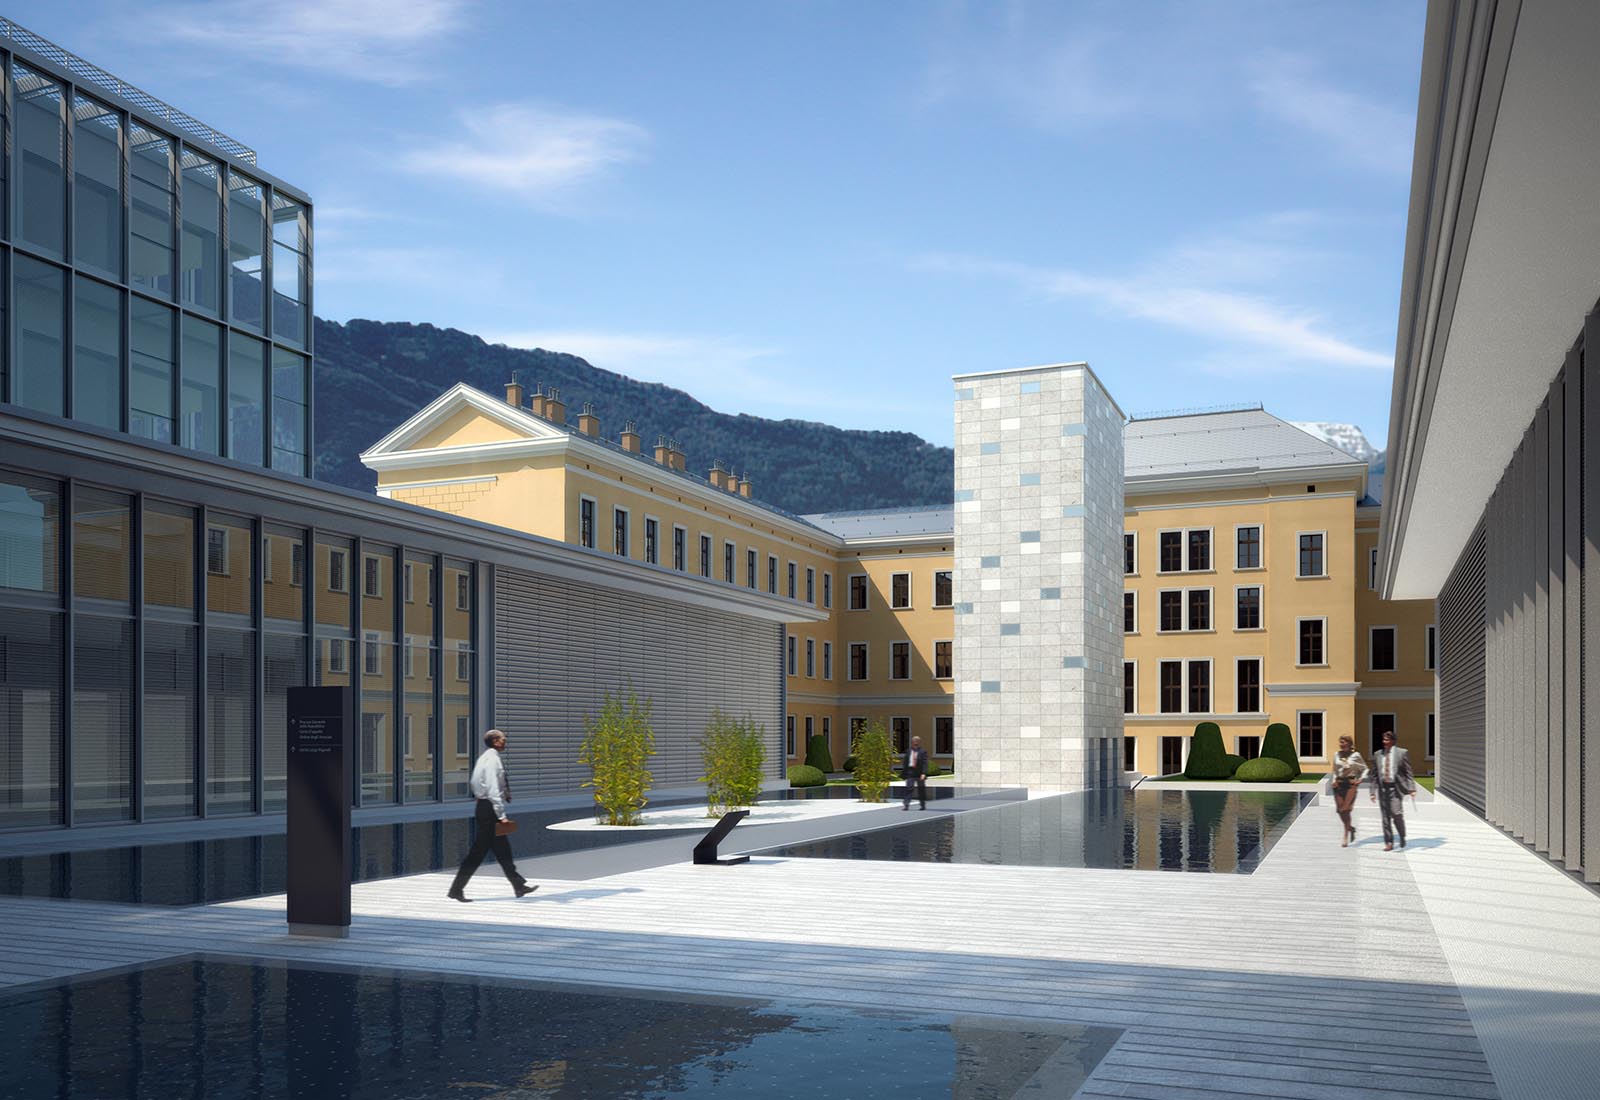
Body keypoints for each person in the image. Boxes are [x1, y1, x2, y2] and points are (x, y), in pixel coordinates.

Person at [448, 729, 536, 902]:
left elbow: (476, 781)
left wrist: (495, 795)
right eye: (503, 739)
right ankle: (456, 889)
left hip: (484, 806)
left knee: (503, 850)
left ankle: (519, 886)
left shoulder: (485, 758)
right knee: (478, 853)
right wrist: (501, 814)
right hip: (489, 810)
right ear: (495, 741)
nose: (505, 741)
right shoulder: (492, 759)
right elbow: (492, 788)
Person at [1369, 729, 1416, 851]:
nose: (1384, 742)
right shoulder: (1377, 754)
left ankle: (1402, 835)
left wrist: (1411, 788)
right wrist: (1372, 792)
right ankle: (1389, 842)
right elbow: (1373, 774)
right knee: (1385, 817)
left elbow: (1408, 772)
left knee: (1397, 814)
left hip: (1395, 789)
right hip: (1383, 789)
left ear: (1393, 741)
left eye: (1387, 739)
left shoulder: (1402, 753)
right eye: (1383, 739)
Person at [1331, 735, 1367, 847]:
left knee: (1345, 809)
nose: (1342, 744)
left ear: (1349, 744)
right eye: (1340, 742)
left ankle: (1346, 834)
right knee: (1340, 810)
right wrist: (1333, 780)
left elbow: (1365, 769)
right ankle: (1351, 828)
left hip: (1351, 785)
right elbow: (1335, 770)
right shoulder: (1336, 755)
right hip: (1339, 784)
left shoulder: (1356, 755)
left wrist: (1360, 779)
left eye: (1344, 742)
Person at [901, 735, 930, 811]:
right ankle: (906, 804)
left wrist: (924, 773)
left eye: (917, 741)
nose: (915, 743)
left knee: (921, 789)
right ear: (912, 742)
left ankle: (922, 804)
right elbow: (905, 762)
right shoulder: (908, 751)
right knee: (909, 788)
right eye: (914, 741)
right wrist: (904, 772)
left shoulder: (923, 752)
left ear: (919, 742)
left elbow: (925, 763)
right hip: (910, 772)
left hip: (919, 773)